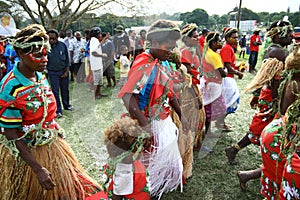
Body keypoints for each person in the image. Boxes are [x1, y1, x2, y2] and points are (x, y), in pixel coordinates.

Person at [0, 24, 101, 199]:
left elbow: (48, 111)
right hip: (27, 156)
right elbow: (11, 134)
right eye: (38, 56)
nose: (44, 60)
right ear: (21, 54)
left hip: (52, 146)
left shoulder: (40, 76)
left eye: (46, 54)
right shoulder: (10, 87)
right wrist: (38, 169)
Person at [118, 19, 189, 199]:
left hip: (162, 121)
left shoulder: (161, 62)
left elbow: (169, 93)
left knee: (165, 159)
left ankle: (158, 185)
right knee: (144, 162)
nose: (171, 51)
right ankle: (145, 188)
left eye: (173, 47)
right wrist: (144, 125)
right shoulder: (144, 63)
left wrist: (182, 116)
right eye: (169, 47)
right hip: (145, 120)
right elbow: (128, 96)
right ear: (155, 43)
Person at [225, 20, 294, 166]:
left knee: (264, 126)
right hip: (273, 96)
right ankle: (234, 150)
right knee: (262, 126)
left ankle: (236, 150)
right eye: (288, 33)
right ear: (278, 36)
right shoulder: (278, 52)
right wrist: (277, 102)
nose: (291, 36)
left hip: (270, 94)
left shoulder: (275, 49)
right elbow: (274, 80)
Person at [87, 117, 151, 200]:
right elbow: (117, 196)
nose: (142, 149)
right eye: (140, 147)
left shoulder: (127, 166)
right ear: (128, 154)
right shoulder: (125, 171)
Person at [179, 23, 205, 156]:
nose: (197, 38)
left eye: (198, 36)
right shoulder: (185, 52)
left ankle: (194, 143)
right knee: (192, 118)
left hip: (194, 87)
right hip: (189, 91)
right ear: (187, 38)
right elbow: (187, 78)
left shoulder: (191, 50)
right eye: (194, 37)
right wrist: (195, 97)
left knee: (198, 118)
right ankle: (188, 145)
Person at [200, 32, 227, 138]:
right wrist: (226, 71)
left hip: (209, 83)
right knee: (217, 109)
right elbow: (222, 73)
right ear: (214, 43)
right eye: (219, 41)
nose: (221, 43)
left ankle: (208, 130)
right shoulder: (213, 55)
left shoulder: (207, 52)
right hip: (213, 85)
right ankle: (208, 132)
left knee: (209, 108)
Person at [47, 29, 74, 118]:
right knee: (55, 92)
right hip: (52, 72)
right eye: (49, 39)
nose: (51, 40)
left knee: (65, 90)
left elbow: (67, 59)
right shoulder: (46, 48)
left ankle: (67, 105)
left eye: (53, 38)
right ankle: (58, 110)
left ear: (57, 38)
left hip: (63, 71)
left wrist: (66, 71)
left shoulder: (62, 45)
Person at [220, 27, 243, 130]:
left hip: (229, 77)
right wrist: (238, 72)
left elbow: (230, 64)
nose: (236, 39)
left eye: (237, 37)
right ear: (227, 37)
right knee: (229, 101)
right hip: (226, 79)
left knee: (229, 101)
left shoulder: (229, 47)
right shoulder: (226, 48)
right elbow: (227, 66)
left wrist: (237, 67)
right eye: (234, 37)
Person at [89, 26, 108, 99]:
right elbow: (93, 52)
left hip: (98, 64)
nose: (100, 35)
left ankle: (99, 93)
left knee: (99, 80)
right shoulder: (94, 40)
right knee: (97, 81)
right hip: (96, 64)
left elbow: (99, 46)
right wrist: (102, 55)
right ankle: (96, 94)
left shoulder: (96, 41)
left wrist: (104, 39)